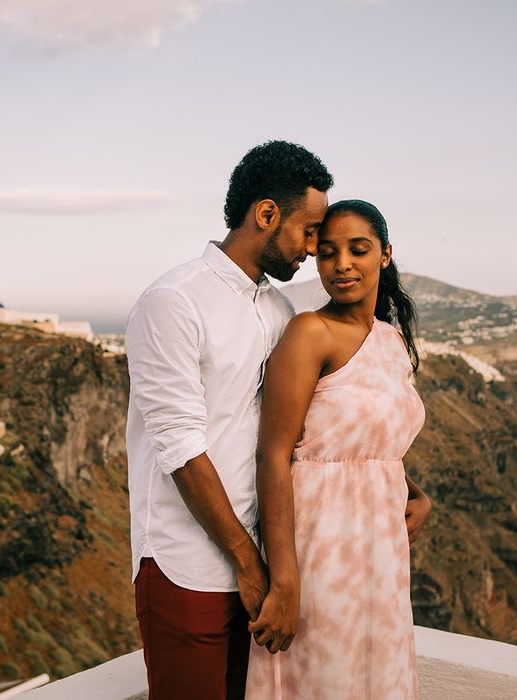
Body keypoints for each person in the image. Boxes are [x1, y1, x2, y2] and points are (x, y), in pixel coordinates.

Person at [125, 140, 334, 699]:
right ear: (266, 214)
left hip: (258, 573)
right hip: (187, 565)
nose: (313, 250)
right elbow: (180, 446)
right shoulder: (173, 301)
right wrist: (246, 560)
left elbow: (300, 431)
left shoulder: (279, 311)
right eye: (309, 230)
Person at [245, 199, 432, 699]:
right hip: (321, 549)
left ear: (385, 255)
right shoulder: (310, 332)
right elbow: (274, 455)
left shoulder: (391, 341)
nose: (342, 264)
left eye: (358, 249)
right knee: (326, 681)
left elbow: (374, 441)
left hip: (382, 555)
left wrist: (417, 492)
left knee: (378, 677)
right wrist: (284, 582)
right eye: (327, 252)